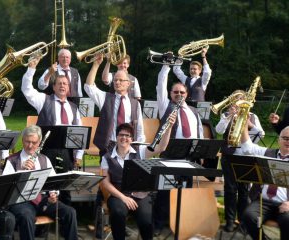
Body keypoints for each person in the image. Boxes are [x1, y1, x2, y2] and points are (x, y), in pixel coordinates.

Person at [101, 115, 176, 240]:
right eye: (121, 135)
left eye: (127, 135)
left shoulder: (140, 151)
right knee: (118, 214)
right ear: (116, 137)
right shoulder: (107, 157)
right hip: (118, 195)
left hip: (140, 195)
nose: (124, 138)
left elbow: (161, 147)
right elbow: (105, 182)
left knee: (146, 222)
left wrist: (169, 127)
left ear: (132, 138)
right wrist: (123, 198)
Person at [21, 56, 84, 205]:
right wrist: (31, 69)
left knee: (65, 188)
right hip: (45, 151)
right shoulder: (43, 100)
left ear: (68, 88)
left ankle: (65, 218)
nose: (62, 86)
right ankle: (42, 224)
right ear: (53, 87)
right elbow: (27, 89)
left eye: (65, 84)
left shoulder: (74, 108)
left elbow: (79, 132)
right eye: (59, 83)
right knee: (45, 187)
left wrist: (79, 154)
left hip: (66, 152)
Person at [3, 125, 78, 240]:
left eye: (34, 142)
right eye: (27, 141)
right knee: (26, 216)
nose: (30, 146)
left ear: (39, 143)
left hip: (43, 200)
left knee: (70, 212)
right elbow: (6, 187)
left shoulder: (44, 159)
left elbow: (53, 183)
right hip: (21, 202)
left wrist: (54, 193)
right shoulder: (12, 160)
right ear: (22, 140)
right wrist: (21, 171)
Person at [154, 64, 204, 234]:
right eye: (175, 92)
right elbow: (161, 84)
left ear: (187, 94)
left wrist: (200, 153)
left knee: (185, 192)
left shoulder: (194, 111)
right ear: (170, 94)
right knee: (164, 190)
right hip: (169, 155)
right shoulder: (165, 106)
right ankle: (159, 224)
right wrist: (167, 66)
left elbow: (198, 133)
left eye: (182, 92)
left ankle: (180, 223)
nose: (179, 94)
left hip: (188, 157)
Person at [215, 90, 265, 232]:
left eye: (240, 98)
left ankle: (243, 221)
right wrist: (229, 116)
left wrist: (249, 123)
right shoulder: (226, 114)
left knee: (244, 190)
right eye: (235, 98)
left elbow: (260, 133)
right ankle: (230, 221)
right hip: (229, 156)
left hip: (246, 157)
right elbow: (219, 130)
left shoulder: (253, 116)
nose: (238, 100)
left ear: (245, 100)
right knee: (230, 189)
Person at [84, 54, 145, 158]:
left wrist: (139, 149)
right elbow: (89, 87)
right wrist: (95, 65)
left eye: (121, 80)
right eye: (115, 80)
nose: (117, 82)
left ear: (128, 83)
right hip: (108, 147)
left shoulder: (135, 104)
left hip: (128, 147)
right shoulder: (105, 98)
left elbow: (139, 129)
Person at [240, 124, 289, 239]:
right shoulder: (267, 153)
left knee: (287, 221)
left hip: (285, 204)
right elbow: (247, 148)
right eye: (285, 138)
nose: (288, 141)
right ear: (279, 139)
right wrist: (243, 124)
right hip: (263, 202)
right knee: (249, 216)